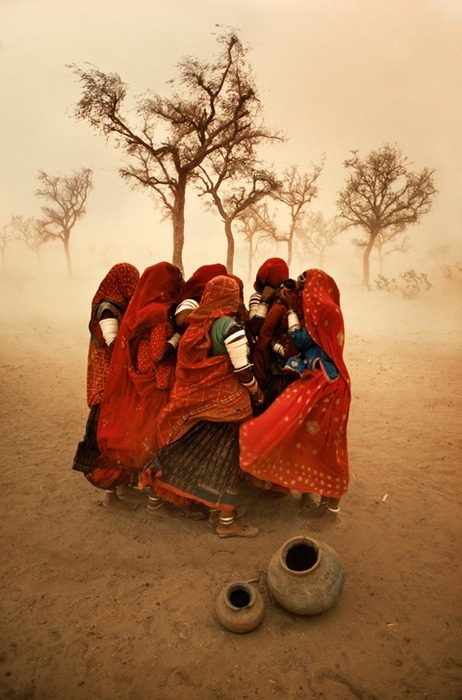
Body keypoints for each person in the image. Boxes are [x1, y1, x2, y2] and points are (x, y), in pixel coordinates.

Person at [144, 275, 263, 537]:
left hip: (196, 404)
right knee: (228, 462)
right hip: (227, 409)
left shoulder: (195, 325)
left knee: (182, 452)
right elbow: (242, 369)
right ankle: (225, 522)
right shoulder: (229, 327)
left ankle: (163, 501)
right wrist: (256, 391)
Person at [239, 269, 351, 532]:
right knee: (315, 442)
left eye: (303, 286)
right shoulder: (329, 308)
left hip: (327, 385)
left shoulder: (322, 310)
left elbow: (300, 340)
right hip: (324, 381)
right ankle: (321, 503)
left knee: (327, 445)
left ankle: (331, 510)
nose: (299, 291)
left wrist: (289, 309)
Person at [84, 261, 184, 508]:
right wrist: (177, 338)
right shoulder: (152, 312)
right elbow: (142, 350)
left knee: (122, 434)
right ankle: (150, 498)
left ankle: (118, 489)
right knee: (146, 437)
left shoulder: (135, 311)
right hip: (135, 382)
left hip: (127, 380)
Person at [72, 262, 140, 481]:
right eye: (132, 281)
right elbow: (114, 345)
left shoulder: (115, 307)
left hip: (112, 376)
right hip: (107, 380)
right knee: (106, 434)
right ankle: (107, 485)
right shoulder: (108, 309)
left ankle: (117, 482)